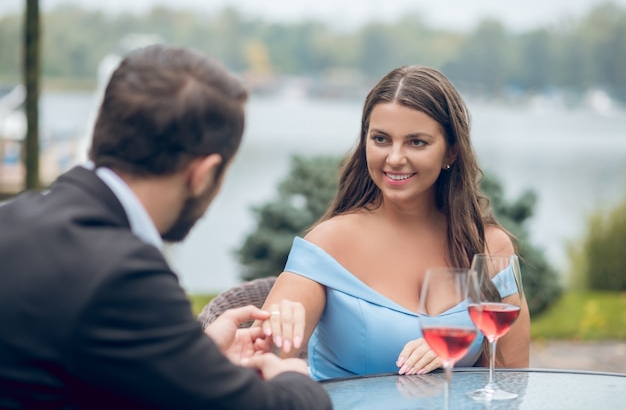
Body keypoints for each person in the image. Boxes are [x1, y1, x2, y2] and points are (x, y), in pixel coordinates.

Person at [0, 44, 332, 410]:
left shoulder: (15, 218)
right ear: (202, 175)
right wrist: (292, 377)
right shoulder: (123, 274)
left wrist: (198, 355)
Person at [259, 65, 530, 380]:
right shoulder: (330, 243)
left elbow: (511, 381)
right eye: (381, 139)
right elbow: (264, 361)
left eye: (416, 142)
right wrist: (276, 330)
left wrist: (449, 364)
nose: (395, 158)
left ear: (451, 151)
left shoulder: (490, 248)